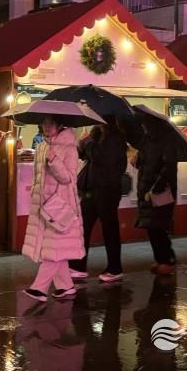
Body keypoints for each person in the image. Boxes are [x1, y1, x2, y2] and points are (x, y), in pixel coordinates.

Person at [22, 115, 85, 302]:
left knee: (53, 249)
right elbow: (38, 177)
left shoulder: (70, 148)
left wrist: (53, 159)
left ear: (60, 125)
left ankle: (39, 289)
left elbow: (68, 178)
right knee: (55, 248)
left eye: (50, 124)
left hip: (60, 206)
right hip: (43, 206)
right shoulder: (41, 146)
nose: (46, 127)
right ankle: (66, 286)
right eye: (44, 123)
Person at [69, 116, 127, 282]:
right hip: (92, 189)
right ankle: (78, 265)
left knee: (109, 229)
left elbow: (101, 157)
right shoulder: (96, 134)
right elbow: (86, 155)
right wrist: (81, 144)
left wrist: (88, 143)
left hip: (107, 190)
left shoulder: (116, 138)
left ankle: (115, 268)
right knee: (82, 227)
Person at [133, 115, 178, 275]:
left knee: (159, 227)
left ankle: (168, 260)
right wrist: (137, 161)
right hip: (146, 189)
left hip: (159, 191)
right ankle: (160, 259)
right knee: (151, 227)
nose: (143, 127)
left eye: (145, 124)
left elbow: (168, 168)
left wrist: (156, 188)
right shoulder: (146, 141)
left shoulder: (167, 142)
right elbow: (144, 163)